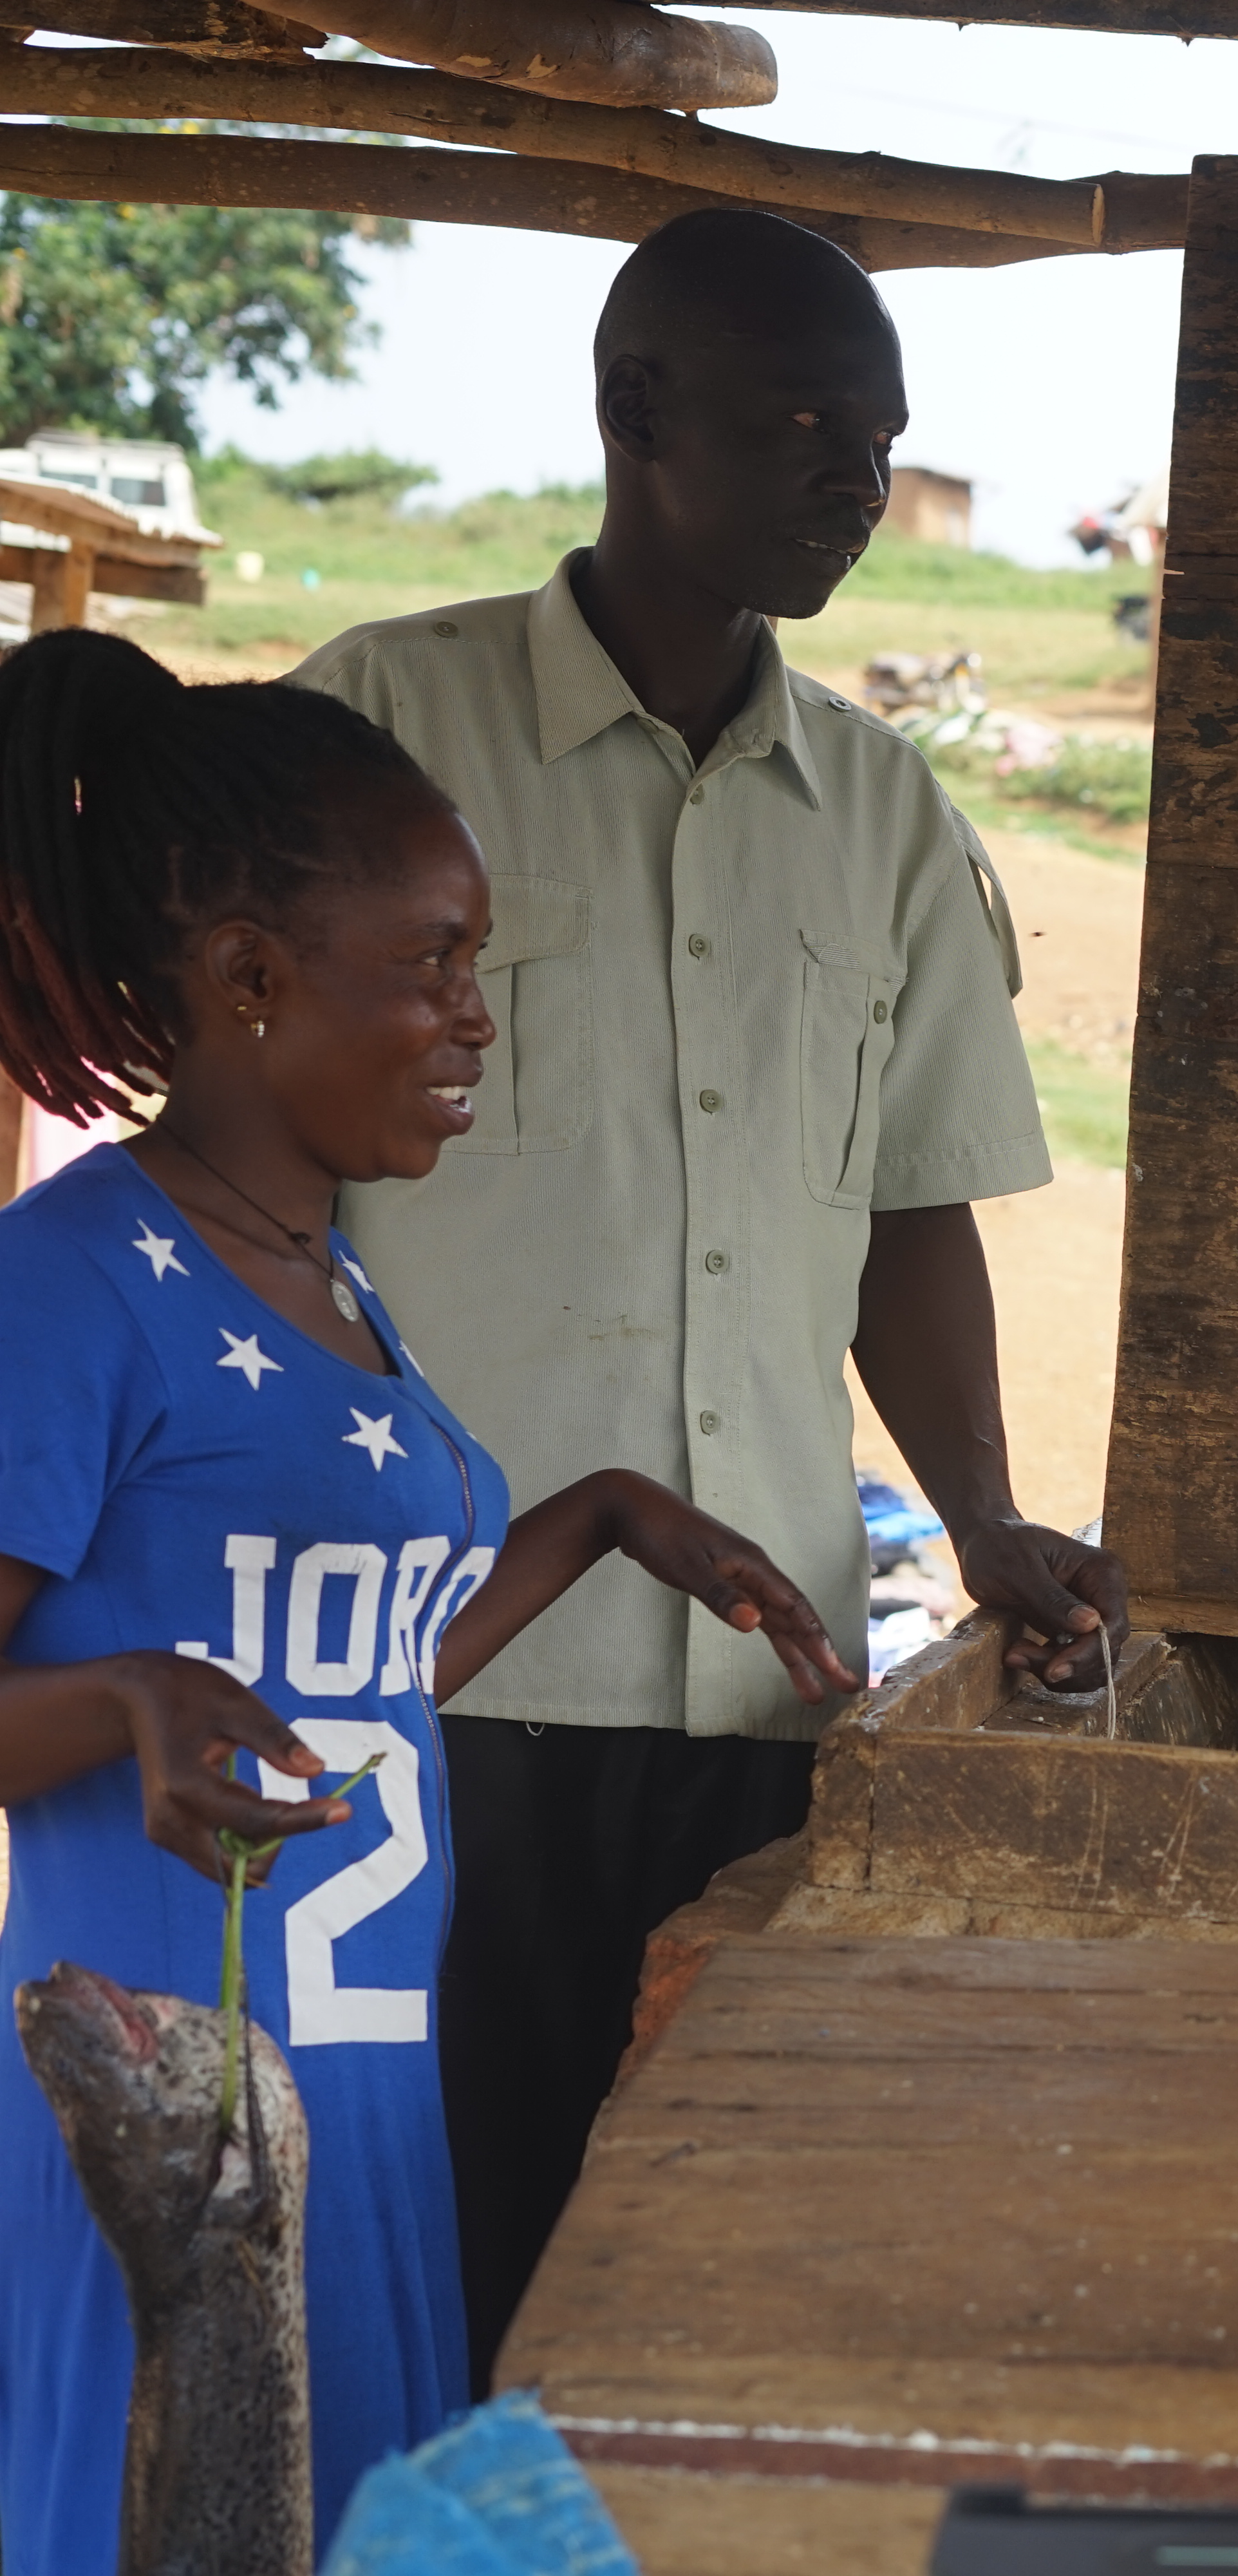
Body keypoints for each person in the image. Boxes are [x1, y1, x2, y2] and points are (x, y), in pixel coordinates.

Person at [288, 206, 1130, 2382]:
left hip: (767, 1693)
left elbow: (917, 1207)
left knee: (687, 2276)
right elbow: (226, 1130)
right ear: (633, 413)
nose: (860, 478)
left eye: (883, 440)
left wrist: (976, 1516)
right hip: (437, 1685)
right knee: (423, 2268)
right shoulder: (382, 730)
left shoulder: (879, 812)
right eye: (807, 426)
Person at [0, 630, 859, 2562]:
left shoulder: (335, 1288)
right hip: (170, 2148)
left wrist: (610, 1515)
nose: (481, 1021)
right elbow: (175, 1697)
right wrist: (130, 1699)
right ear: (249, 982)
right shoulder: (68, 1287)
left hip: (369, 2124)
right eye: (437, 969)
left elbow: (356, 1695)